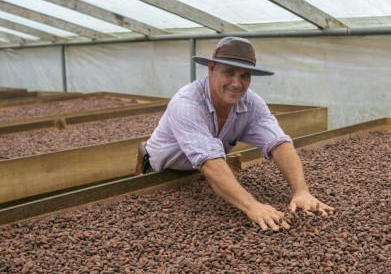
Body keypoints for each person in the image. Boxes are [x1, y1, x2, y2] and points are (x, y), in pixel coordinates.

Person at [136, 37, 333, 231]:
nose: (237, 83)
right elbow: (210, 162)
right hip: (158, 176)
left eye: (245, 76)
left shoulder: (251, 104)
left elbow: (280, 144)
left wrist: (301, 191)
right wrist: (252, 206)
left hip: (198, 176)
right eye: (229, 73)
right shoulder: (187, 104)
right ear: (211, 69)